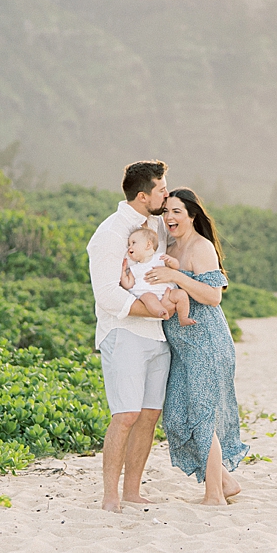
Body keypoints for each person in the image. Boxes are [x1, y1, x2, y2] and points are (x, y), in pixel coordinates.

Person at [147, 187, 249, 505]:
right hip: (183, 350)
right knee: (176, 418)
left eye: (176, 211)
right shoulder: (171, 247)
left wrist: (177, 275)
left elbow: (213, 296)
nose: (169, 217)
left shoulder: (200, 247)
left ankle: (214, 495)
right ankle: (226, 482)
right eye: (166, 212)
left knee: (203, 417)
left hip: (206, 343)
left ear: (192, 215)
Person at [86, 159, 173, 512]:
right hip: (123, 334)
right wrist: (153, 309)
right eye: (161, 189)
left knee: (150, 415)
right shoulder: (109, 234)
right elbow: (107, 295)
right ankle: (110, 494)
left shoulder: (158, 227)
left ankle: (133, 490)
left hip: (158, 337)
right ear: (142, 196)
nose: (166, 193)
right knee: (125, 415)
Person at [120, 225, 195, 325]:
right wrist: (123, 272)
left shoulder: (160, 258)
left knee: (181, 294)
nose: (130, 247)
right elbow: (128, 284)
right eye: (129, 244)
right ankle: (160, 311)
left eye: (133, 243)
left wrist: (171, 261)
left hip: (167, 294)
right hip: (150, 301)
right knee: (147, 297)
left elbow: (176, 267)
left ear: (148, 245)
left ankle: (183, 318)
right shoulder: (135, 268)